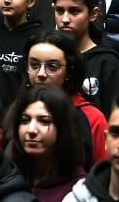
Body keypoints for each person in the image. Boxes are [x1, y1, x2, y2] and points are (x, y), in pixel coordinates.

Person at [3, 84, 86, 202]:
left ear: (63, 128)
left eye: (44, 121)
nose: (31, 130)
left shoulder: (79, 191)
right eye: (25, 120)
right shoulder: (4, 178)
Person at [22, 29, 108, 161]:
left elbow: (102, 173)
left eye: (52, 66)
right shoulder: (17, 109)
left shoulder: (92, 117)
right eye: (34, 65)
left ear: (69, 71)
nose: (41, 74)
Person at [51, 0, 119, 115]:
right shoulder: (48, 56)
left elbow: (115, 115)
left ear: (93, 14)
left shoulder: (106, 61)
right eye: (60, 11)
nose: (65, 19)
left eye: (74, 11)